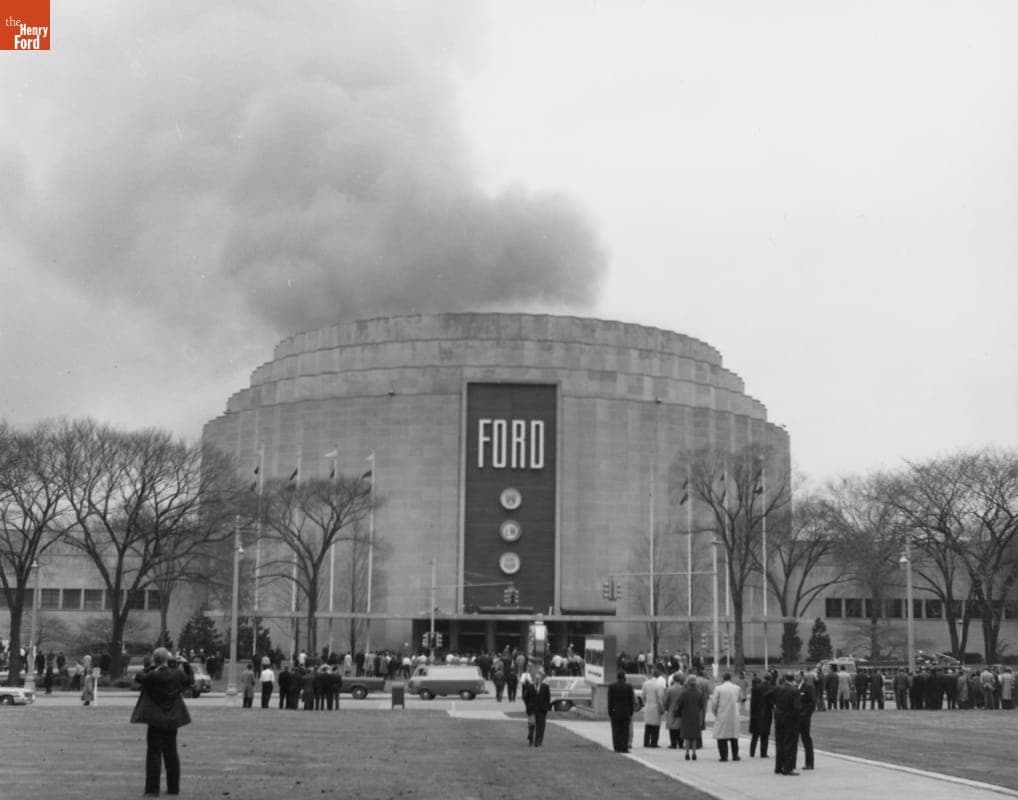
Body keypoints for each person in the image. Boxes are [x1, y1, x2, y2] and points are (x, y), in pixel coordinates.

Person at [131, 647, 193, 797]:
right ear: (168, 659)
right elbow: (189, 680)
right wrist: (186, 664)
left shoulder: (152, 676)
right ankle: (173, 788)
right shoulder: (177, 674)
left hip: (155, 719)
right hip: (172, 719)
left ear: (154, 659)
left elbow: (138, 676)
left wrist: (153, 665)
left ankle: (152, 789)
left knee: (154, 754)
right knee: (171, 753)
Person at [772, 672, 801, 776]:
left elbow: (767, 697)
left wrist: (775, 708)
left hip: (779, 717)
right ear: (793, 679)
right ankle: (788, 768)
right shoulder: (795, 690)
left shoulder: (778, 688)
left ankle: (778, 766)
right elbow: (797, 708)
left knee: (779, 742)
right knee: (790, 743)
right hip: (790, 718)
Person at [709, 671, 742, 762]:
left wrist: (716, 713)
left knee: (721, 736)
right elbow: (739, 700)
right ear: (731, 678)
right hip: (734, 714)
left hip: (722, 714)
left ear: (722, 679)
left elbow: (714, 703)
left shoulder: (718, 688)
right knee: (734, 736)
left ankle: (724, 756)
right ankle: (735, 756)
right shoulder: (737, 688)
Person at [607, 669, 636, 753]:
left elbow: (610, 701)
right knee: (625, 731)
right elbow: (631, 701)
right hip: (626, 712)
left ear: (617, 677)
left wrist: (610, 712)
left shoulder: (612, 686)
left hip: (615, 712)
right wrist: (631, 712)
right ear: (624, 678)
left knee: (616, 731)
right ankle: (624, 748)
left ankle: (617, 747)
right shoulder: (629, 687)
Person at [676, 674, 704, 761]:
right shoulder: (699, 692)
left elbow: (679, 703)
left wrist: (679, 711)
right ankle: (694, 753)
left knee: (687, 736)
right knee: (694, 736)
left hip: (686, 715)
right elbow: (701, 705)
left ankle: (687, 753)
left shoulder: (684, 692)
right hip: (696, 715)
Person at [522, 670, 551, 746]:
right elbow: (525, 698)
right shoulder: (530, 687)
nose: (537, 680)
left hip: (542, 710)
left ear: (541, 679)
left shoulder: (545, 687)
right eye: (536, 679)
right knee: (531, 726)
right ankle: (530, 739)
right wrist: (528, 706)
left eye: (539, 679)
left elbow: (548, 698)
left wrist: (545, 708)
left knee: (540, 727)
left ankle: (538, 742)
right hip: (532, 710)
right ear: (534, 679)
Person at [749, 674, 775, 758]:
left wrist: (752, 714)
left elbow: (752, 703)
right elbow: (771, 703)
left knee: (755, 735)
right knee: (765, 735)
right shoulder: (771, 688)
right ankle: (763, 753)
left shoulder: (755, 688)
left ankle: (752, 752)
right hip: (766, 713)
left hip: (756, 713)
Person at [641, 668, 666, 748]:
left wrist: (645, 703)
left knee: (648, 726)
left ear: (651, 674)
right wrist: (662, 708)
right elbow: (660, 698)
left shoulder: (645, 683)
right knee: (655, 726)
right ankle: (654, 743)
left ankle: (646, 742)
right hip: (656, 706)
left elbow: (643, 696)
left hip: (648, 705)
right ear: (658, 675)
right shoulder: (659, 685)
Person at [797, 671, 816, 770]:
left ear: (802, 676)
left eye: (798, 676)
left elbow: (812, 703)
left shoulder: (808, 687)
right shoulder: (796, 687)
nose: (796, 677)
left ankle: (809, 763)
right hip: (795, 718)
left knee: (806, 740)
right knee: (793, 741)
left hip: (804, 719)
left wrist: (805, 715)